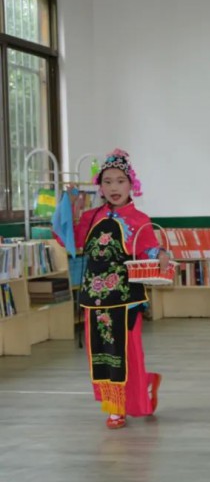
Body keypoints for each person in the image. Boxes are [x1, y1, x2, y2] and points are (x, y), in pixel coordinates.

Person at [56, 149, 167, 429]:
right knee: (101, 353)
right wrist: (70, 207)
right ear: (100, 187)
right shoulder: (91, 216)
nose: (114, 187)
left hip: (126, 299)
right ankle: (120, 401)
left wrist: (161, 253)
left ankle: (127, 400)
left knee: (127, 352)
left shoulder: (139, 219)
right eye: (107, 181)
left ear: (131, 185)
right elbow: (68, 239)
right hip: (95, 299)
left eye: (120, 181)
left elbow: (149, 249)